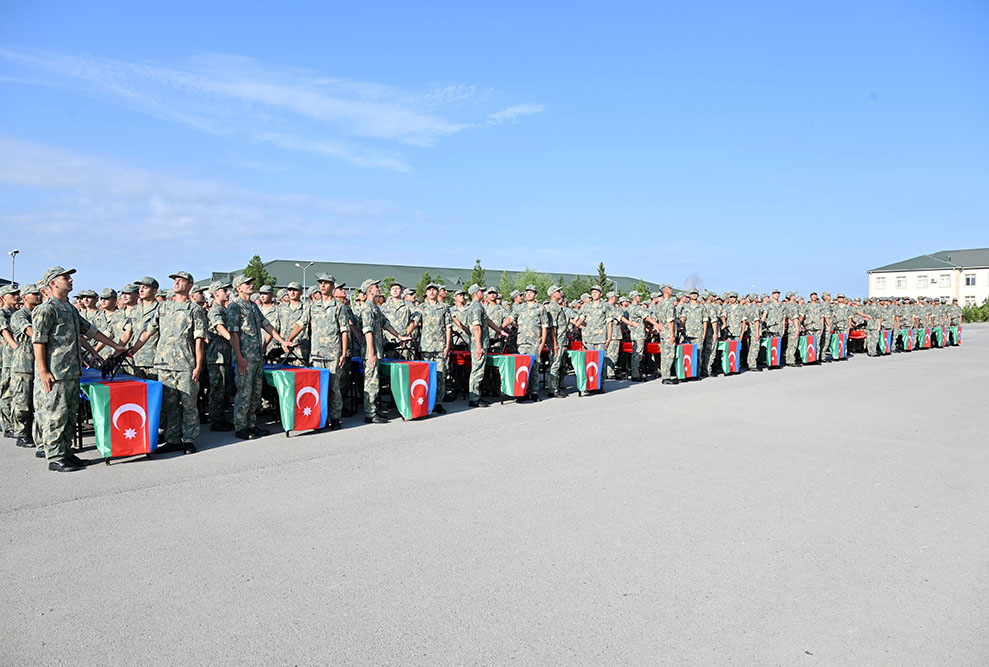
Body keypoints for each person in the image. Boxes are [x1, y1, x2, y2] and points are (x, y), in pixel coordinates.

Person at [32, 267, 126, 472]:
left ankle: (66, 452)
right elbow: (38, 341)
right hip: (56, 373)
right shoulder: (47, 309)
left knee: (70, 414)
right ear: (53, 283)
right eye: (65, 277)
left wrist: (115, 346)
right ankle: (55, 456)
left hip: (72, 371)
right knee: (56, 414)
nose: (70, 279)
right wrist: (43, 371)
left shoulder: (69, 308)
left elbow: (90, 331)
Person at [128, 271, 207, 454]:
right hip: (163, 364)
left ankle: (188, 439)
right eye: (175, 280)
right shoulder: (163, 308)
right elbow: (148, 331)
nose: (176, 283)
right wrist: (132, 351)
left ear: (189, 285)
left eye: (181, 280)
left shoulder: (194, 310)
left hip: (185, 364)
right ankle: (173, 440)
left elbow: (199, 339)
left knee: (188, 404)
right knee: (170, 405)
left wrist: (198, 365)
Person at [226, 274, 295, 440]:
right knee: (244, 392)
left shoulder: (252, 306)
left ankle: (251, 424)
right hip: (245, 358)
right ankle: (241, 427)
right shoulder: (236, 306)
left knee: (256, 392)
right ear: (238, 288)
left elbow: (267, 325)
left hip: (257, 357)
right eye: (247, 283)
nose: (251, 285)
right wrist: (239, 357)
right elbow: (234, 334)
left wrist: (282, 341)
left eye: (251, 282)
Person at [289, 273, 349, 430]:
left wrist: (343, 353)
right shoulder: (312, 306)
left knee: (334, 388)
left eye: (326, 283)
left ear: (332, 286)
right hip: (316, 354)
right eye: (320, 283)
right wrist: (289, 339)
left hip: (333, 354)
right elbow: (301, 323)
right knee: (317, 388)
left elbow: (344, 330)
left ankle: (335, 418)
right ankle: (319, 419)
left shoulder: (339, 307)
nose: (322, 285)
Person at [359, 279, 410, 422]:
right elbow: (367, 331)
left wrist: (399, 336)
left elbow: (386, 324)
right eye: (376, 286)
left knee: (375, 382)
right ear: (369, 290)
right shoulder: (367, 309)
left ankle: (374, 410)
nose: (379, 288)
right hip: (371, 352)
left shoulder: (375, 308)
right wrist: (371, 353)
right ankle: (370, 413)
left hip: (377, 351)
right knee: (371, 382)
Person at [414, 282, 452, 413]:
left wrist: (447, 345)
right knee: (426, 376)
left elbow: (448, 327)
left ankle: (438, 402)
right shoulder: (421, 307)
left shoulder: (444, 307)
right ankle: (426, 401)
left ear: (437, 292)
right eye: (429, 290)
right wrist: (405, 334)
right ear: (426, 293)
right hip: (426, 346)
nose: (431, 292)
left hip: (440, 346)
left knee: (440, 375)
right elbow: (414, 322)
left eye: (434, 290)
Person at [504, 284, 547, 399]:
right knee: (522, 367)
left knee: (535, 367)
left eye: (531, 292)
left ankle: (534, 392)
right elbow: (510, 318)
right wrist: (501, 327)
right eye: (526, 292)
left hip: (534, 342)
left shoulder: (540, 308)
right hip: (522, 342)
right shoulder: (519, 307)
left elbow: (544, 326)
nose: (528, 294)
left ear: (535, 295)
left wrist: (542, 343)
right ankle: (523, 391)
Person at [206, 281, 235, 431]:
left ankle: (221, 417)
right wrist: (232, 339)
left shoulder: (225, 309)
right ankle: (216, 420)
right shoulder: (215, 310)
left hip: (226, 356)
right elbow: (219, 326)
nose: (228, 293)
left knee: (226, 387)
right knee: (218, 388)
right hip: (217, 358)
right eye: (224, 290)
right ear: (216, 293)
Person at [573, 285, 611, 392]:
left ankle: (599, 384)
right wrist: (576, 328)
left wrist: (609, 337)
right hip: (589, 338)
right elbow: (581, 318)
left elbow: (609, 322)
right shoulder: (586, 307)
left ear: (601, 294)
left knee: (600, 361)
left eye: (596, 292)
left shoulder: (605, 306)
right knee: (589, 361)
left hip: (601, 338)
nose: (594, 294)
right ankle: (590, 384)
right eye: (593, 292)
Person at [0, 285, 20, 438]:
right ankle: (7, 426)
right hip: (9, 359)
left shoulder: (17, 314)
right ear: (3, 297)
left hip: (20, 360)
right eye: (11, 294)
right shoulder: (2, 313)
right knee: (7, 392)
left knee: (16, 393)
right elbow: (4, 331)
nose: (15, 296)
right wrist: (16, 347)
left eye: (16, 293)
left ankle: (14, 423)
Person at [544, 285, 569, 397]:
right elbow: (553, 327)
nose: (560, 292)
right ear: (553, 294)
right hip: (557, 341)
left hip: (560, 340)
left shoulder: (556, 307)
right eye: (558, 291)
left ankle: (555, 386)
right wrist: (554, 343)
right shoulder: (553, 307)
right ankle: (553, 389)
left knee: (558, 364)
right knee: (555, 364)